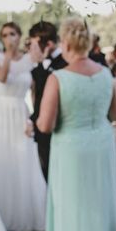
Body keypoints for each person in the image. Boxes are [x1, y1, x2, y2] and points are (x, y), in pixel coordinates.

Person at [37, 17, 116, 231]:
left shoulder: (58, 78)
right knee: (100, 207)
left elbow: (46, 125)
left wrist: (33, 124)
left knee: (72, 209)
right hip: (100, 146)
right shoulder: (106, 74)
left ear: (65, 43)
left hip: (71, 149)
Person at [0, 22, 46, 231]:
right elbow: (1, 77)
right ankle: (0, 213)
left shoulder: (30, 61)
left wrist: (32, 118)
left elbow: (36, 91)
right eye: (5, 34)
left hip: (20, 111)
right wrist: (8, 55)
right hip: (1, 112)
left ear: (20, 36)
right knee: (2, 158)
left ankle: (26, 213)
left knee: (23, 158)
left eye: (12, 34)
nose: (9, 37)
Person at [29, 21, 67, 180]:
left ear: (49, 44)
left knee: (57, 174)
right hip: (42, 129)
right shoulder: (39, 66)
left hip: (58, 130)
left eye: (33, 45)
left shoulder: (64, 64)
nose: (30, 49)